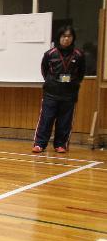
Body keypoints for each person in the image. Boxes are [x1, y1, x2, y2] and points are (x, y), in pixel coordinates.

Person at [32, 25, 85, 153]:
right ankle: (40, 144)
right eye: (63, 36)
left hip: (69, 94)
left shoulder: (79, 55)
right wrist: (52, 82)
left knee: (65, 121)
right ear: (59, 37)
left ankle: (60, 144)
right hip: (51, 92)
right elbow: (44, 71)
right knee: (46, 119)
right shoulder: (50, 54)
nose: (66, 39)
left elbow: (81, 73)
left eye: (69, 36)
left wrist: (73, 84)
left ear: (73, 38)